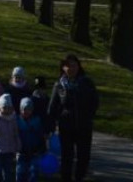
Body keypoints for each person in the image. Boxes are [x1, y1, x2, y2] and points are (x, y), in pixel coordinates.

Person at [47, 54, 100, 182]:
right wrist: (51, 125)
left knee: (84, 156)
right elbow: (52, 108)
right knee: (67, 157)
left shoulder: (86, 82)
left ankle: (79, 177)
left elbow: (95, 101)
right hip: (66, 127)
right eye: (68, 66)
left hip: (84, 126)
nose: (71, 68)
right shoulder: (59, 85)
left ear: (78, 66)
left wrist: (89, 116)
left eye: (74, 65)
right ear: (63, 68)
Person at [0, 93, 21, 182]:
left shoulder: (13, 118)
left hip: (9, 150)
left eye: (8, 107)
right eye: (4, 107)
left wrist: (18, 145)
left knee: (9, 172)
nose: (6, 110)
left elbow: (16, 133)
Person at [16, 96, 46, 182]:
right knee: (20, 172)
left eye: (29, 109)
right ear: (20, 109)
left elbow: (41, 135)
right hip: (21, 152)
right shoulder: (17, 121)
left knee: (34, 171)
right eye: (24, 109)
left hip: (34, 151)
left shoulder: (36, 120)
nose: (26, 111)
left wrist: (42, 148)